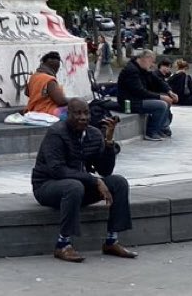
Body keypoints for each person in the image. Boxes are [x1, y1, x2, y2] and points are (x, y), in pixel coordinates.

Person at [31, 97, 137, 263]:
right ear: (68, 114)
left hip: (78, 185)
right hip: (47, 186)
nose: (83, 117)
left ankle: (111, 241)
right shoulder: (56, 133)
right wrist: (94, 181)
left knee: (118, 182)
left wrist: (108, 142)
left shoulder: (94, 134)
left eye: (86, 113)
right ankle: (63, 245)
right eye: (78, 113)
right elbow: (57, 170)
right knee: (73, 186)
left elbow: (105, 170)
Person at [115, 50, 175, 142]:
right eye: (152, 61)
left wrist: (169, 91)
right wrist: (160, 97)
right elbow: (139, 91)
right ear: (145, 59)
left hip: (137, 99)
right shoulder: (131, 70)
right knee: (161, 105)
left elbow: (157, 80)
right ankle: (151, 132)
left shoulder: (142, 69)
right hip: (129, 102)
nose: (152, 64)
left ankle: (162, 128)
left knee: (166, 100)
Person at [24, 52, 70, 117]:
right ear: (56, 68)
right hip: (48, 112)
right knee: (77, 110)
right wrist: (75, 100)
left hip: (33, 110)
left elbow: (27, 92)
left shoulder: (34, 76)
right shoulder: (49, 80)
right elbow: (61, 101)